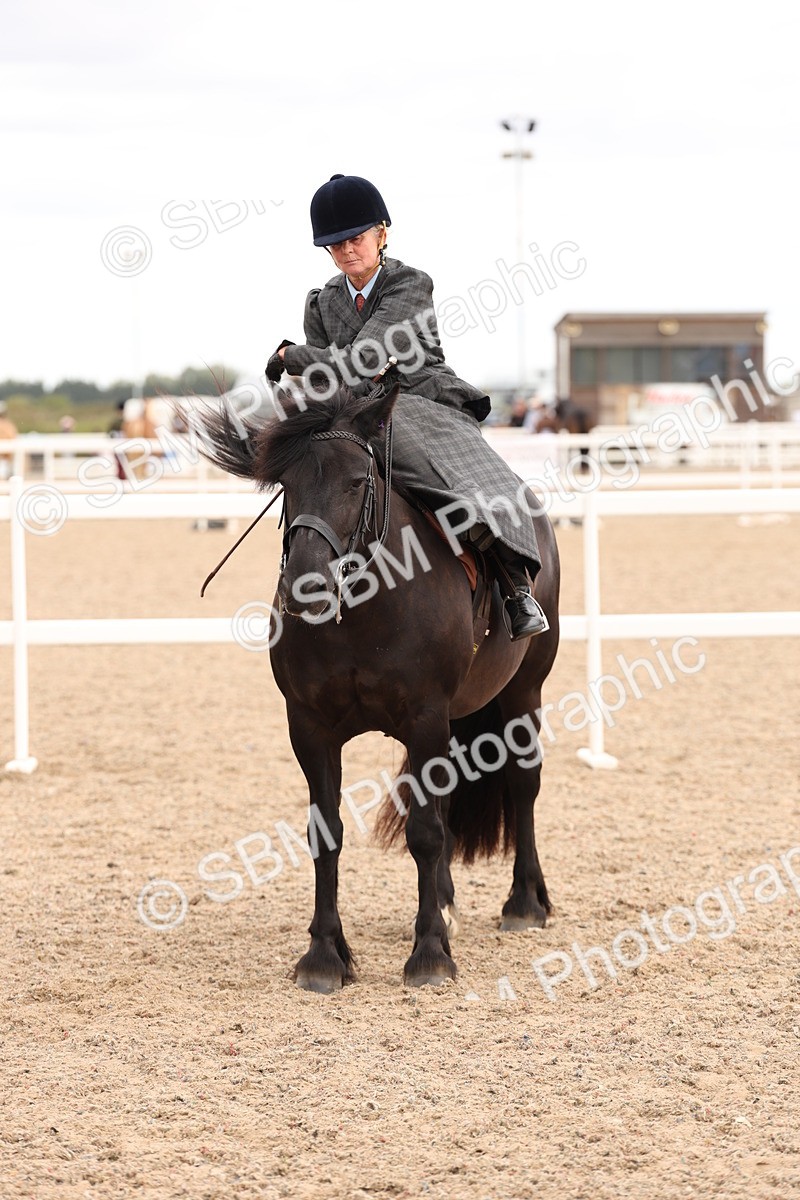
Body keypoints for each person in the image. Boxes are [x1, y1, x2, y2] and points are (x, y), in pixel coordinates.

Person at [266, 174, 547, 640]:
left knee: (440, 467)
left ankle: (514, 582)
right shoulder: (321, 302)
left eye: (355, 239)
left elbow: (360, 362)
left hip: (421, 398)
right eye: (334, 246)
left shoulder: (410, 285)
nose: (346, 252)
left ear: (382, 232)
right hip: (356, 408)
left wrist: (289, 356)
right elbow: (330, 380)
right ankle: (307, 567)